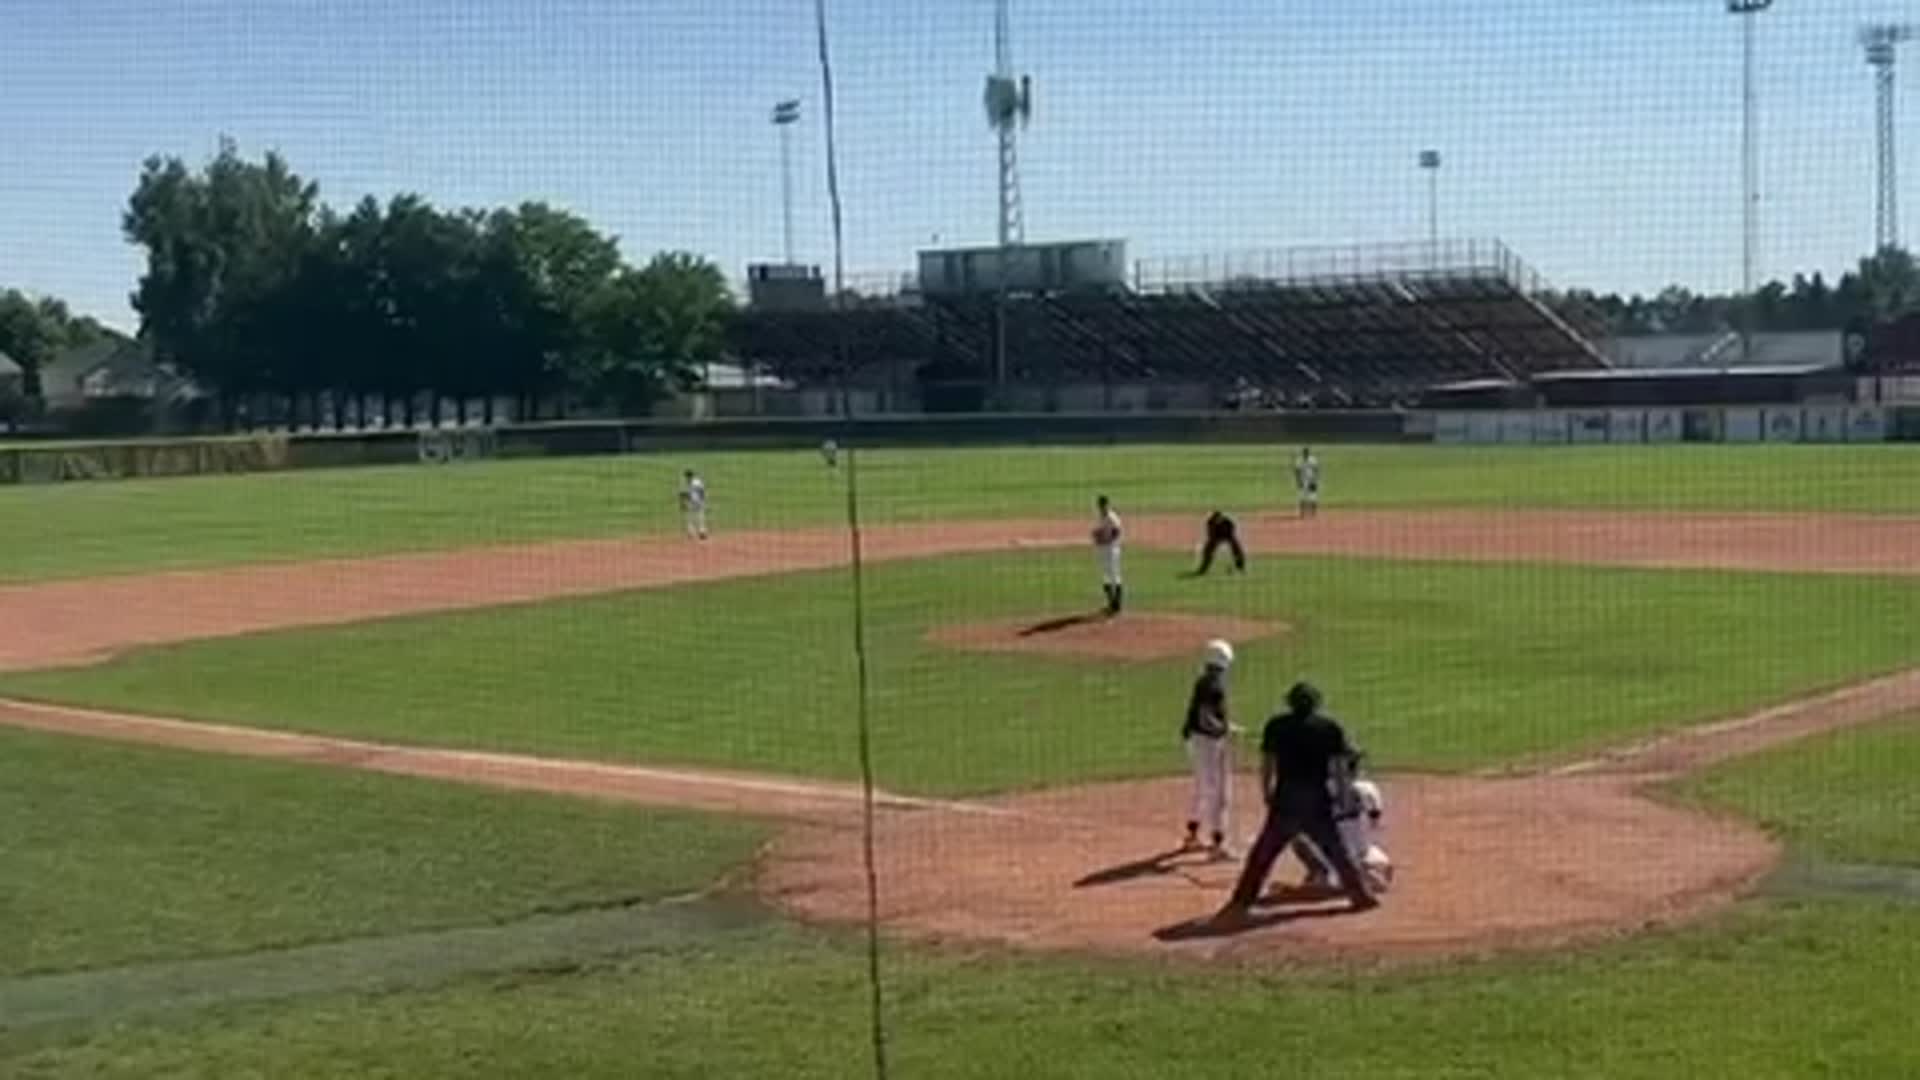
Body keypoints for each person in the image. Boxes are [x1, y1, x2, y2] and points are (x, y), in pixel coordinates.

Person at [1214, 682, 1377, 925]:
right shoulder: (1329, 728)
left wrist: (1266, 791)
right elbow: (1340, 769)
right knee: (1337, 850)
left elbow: (1268, 763)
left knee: (1263, 854)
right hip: (1317, 799)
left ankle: (1242, 901)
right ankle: (1361, 896)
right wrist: (1343, 796)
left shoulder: (1277, 726)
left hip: (1286, 798)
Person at [1181, 639, 1238, 859]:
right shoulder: (1214, 685)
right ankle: (1217, 842)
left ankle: (1192, 835)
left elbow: (1204, 715)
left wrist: (1225, 726)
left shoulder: (1204, 681)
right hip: (1209, 742)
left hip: (1197, 740)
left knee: (1202, 787)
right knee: (1220, 792)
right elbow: (1206, 718)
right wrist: (1223, 730)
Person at [1092, 494, 1124, 616]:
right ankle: (1111, 602)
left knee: (1114, 575)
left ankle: (1117, 604)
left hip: (1112, 549)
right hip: (1103, 550)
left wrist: (1105, 540)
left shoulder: (1112, 517)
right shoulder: (1100, 517)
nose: (1101, 508)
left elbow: (1117, 532)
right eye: (1100, 506)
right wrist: (1097, 535)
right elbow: (1099, 530)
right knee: (1106, 575)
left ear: (1107, 505)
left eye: (1103, 505)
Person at [1193, 510, 1246, 576]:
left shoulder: (1228, 522)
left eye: (1218, 519)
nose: (1216, 520)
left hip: (1228, 535)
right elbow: (1210, 534)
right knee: (1208, 550)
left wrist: (1229, 538)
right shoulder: (1210, 522)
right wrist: (1214, 541)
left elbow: (1232, 531)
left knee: (1237, 549)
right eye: (1215, 519)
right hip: (1216, 536)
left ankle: (1240, 567)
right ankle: (1204, 568)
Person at [679, 469, 708, 540]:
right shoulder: (693, 482)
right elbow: (683, 494)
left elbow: (702, 491)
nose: (686, 478)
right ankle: (694, 533)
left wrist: (702, 500)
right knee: (694, 518)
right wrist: (683, 502)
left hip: (697, 502)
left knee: (697, 517)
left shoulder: (695, 482)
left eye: (687, 476)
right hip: (693, 502)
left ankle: (700, 533)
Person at [1293, 447, 1321, 519]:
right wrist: (1298, 481)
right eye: (1305, 453)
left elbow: (1316, 470)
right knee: (1302, 497)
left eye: (1307, 453)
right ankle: (1302, 513)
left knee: (1313, 498)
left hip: (1311, 480)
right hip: (1303, 481)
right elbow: (1297, 471)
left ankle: (1314, 514)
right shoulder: (1299, 461)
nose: (1306, 454)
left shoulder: (1313, 460)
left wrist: (1316, 480)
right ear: (1303, 453)